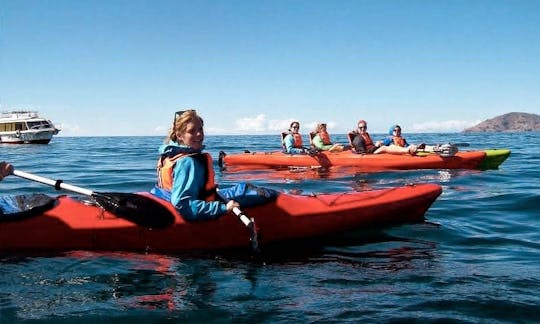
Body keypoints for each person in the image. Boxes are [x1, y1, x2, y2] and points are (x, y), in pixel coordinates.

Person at [151, 110, 277, 222]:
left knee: (244, 189)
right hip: (195, 208)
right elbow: (183, 204)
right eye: (192, 131)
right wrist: (223, 208)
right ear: (180, 136)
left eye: (200, 129)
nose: (199, 134)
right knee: (263, 195)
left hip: (166, 198)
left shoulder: (170, 154)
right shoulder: (188, 161)